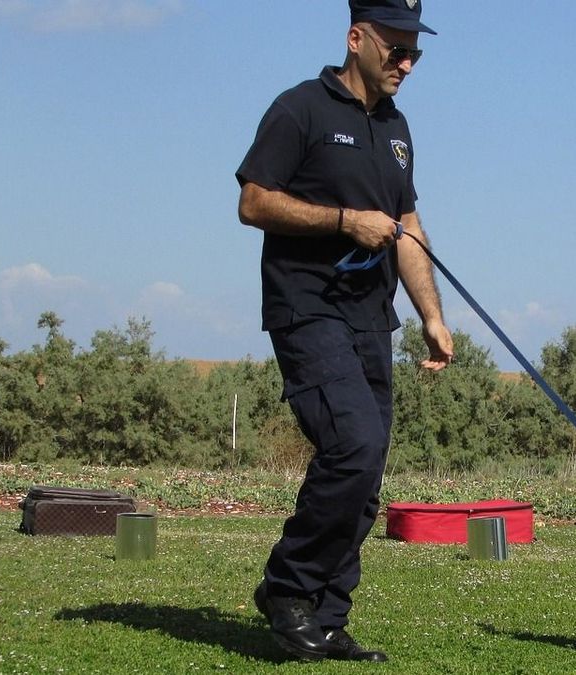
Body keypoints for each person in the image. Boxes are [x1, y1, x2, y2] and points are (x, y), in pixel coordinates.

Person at [234, 0, 452, 663]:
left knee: (366, 471)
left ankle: (326, 616)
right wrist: (342, 221)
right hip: (307, 310)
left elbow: (408, 229)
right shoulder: (299, 108)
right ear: (357, 38)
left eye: (416, 50)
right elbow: (253, 201)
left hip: (370, 320)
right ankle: (287, 588)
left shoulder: (396, 127)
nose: (407, 62)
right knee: (353, 445)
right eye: (396, 48)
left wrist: (432, 317)